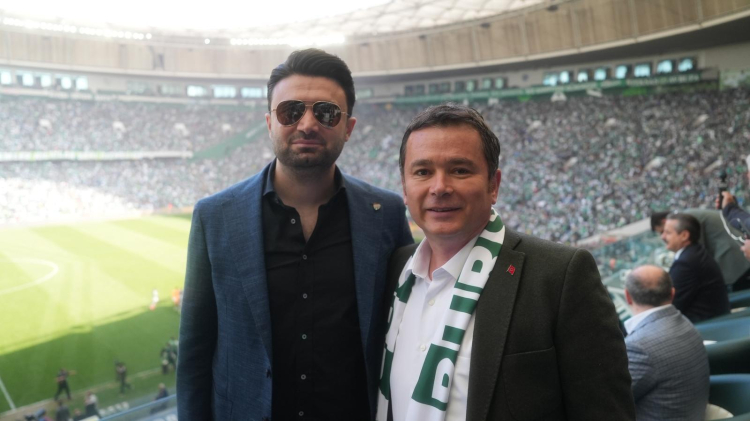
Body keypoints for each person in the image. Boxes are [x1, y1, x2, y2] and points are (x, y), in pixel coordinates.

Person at [177, 48, 413, 421]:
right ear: (269, 122)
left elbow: (404, 333)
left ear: (348, 128)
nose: (307, 124)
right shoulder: (215, 216)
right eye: (291, 111)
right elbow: (194, 351)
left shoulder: (386, 214)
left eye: (326, 113)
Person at [377, 104, 634, 421]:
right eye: (422, 172)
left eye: (460, 170)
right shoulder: (395, 270)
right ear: (404, 188)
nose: (439, 187)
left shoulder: (560, 276)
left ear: (493, 185)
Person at [623, 265, 709, 421]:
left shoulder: (638, 347)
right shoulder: (685, 323)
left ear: (627, 297)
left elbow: (606, 401)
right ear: (672, 293)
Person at [651, 209, 750, 288]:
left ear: (664, 221)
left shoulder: (686, 219)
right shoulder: (687, 215)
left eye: (666, 232)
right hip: (734, 251)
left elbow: (695, 251)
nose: (663, 236)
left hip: (732, 258)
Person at [661, 213, 730, 322]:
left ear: (684, 235)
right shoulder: (694, 252)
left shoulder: (685, 263)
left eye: (668, 233)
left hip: (705, 325)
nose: (663, 237)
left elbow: (672, 305)